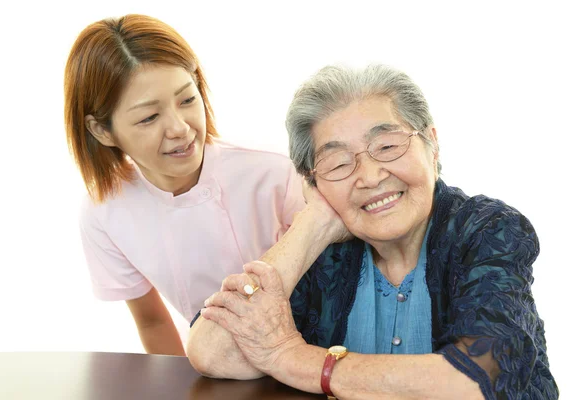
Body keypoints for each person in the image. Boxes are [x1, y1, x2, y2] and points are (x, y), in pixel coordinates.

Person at [187, 64, 558, 399]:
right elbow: (213, 352)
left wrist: (291, 356)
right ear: (313, 183)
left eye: (388, 146)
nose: (370, 176)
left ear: (432, 144)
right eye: (338, 163)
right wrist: (313, 226)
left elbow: (477, 380)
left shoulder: (487, 230)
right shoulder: (327, 252)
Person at [63, 14, 304, 356]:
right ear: (102, 130)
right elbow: (152, 323)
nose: (179, 128)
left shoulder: (275, 172)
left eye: (188, 100)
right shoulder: (105, 212)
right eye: (149, 117)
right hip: (216, 363)